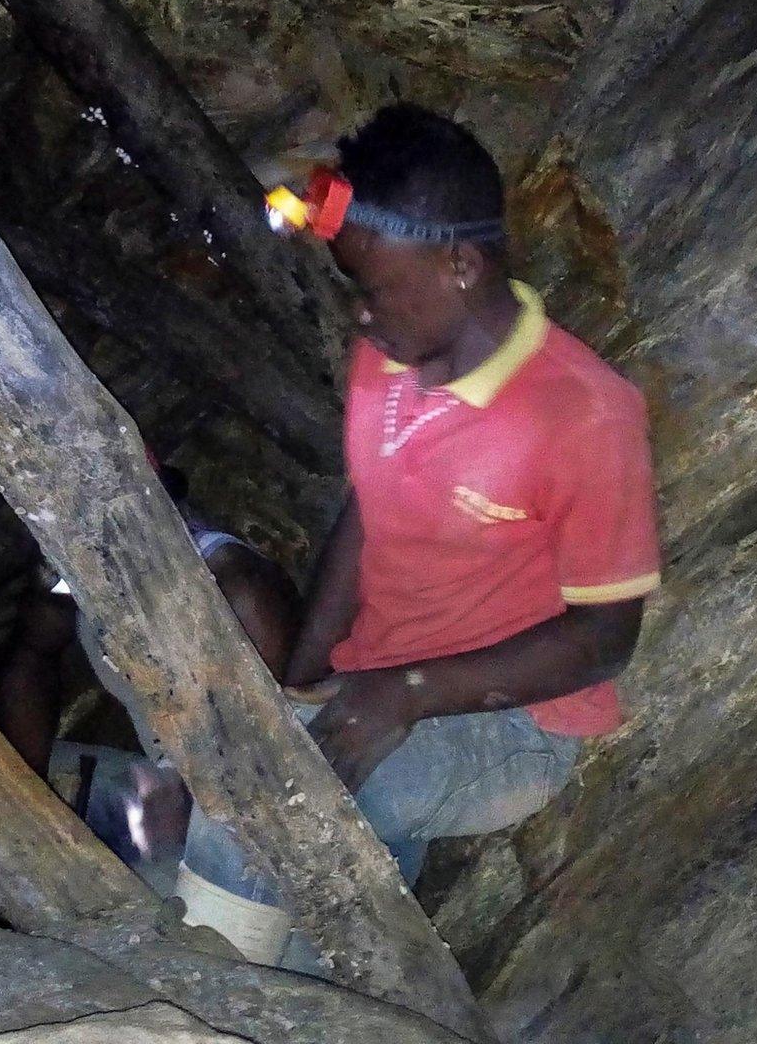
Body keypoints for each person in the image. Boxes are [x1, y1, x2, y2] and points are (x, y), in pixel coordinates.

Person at [174, 103, 661, 966]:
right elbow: (373, 508)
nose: (361, 317)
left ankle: (197, 1000)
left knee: (261, 797)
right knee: (336, 913)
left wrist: (404, 695)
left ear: (462, 264)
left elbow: (604, 638)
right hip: (379, 682)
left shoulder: (583, 416)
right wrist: (307, 674)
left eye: (374, 289)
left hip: (514, 724)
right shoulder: (391, 353)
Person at [0, 463, 300, 864]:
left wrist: (182, 798)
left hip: (275, 801)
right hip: (165, 782)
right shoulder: (82, 571)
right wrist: (26, 793)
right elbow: (31, 656)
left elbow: (271, 752)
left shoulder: (239, 595)